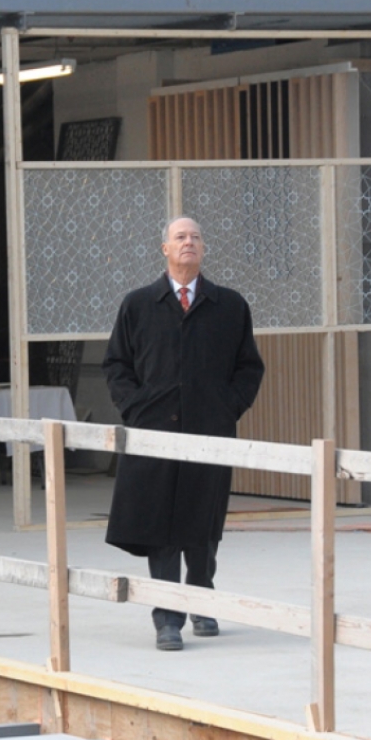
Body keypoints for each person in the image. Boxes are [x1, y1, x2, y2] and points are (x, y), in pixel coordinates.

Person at [103, 216, 264, 651]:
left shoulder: (229, 305)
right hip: (154, 432)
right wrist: (135, 408)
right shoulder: (138, 305)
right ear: (165, 249)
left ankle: (201, 597)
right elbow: (117, 365)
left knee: (203, 522)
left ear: (203, 248)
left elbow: (249, 367)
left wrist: (227, 407)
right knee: (162, 525)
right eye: (180, 237)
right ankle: (168, 618)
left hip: (209, 432)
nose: (188, 242)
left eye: (195, 236)